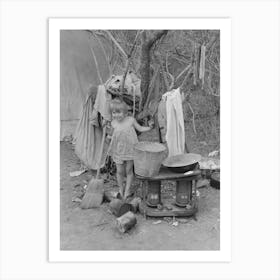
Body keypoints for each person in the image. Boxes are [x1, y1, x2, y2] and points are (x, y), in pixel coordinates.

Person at [107, 99, 153, 199]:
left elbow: (140, 128)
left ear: (125, 112)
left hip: (130, 150)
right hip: (118, 150)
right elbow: (111, 135)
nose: (116, 115)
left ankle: (127, 191)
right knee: (119, 171)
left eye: (119, 112)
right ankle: (120, 189)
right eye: (114, 113)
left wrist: (149, 128)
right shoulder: (113, 123)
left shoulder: (131, 120)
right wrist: (107, 135)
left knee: (128, 170)